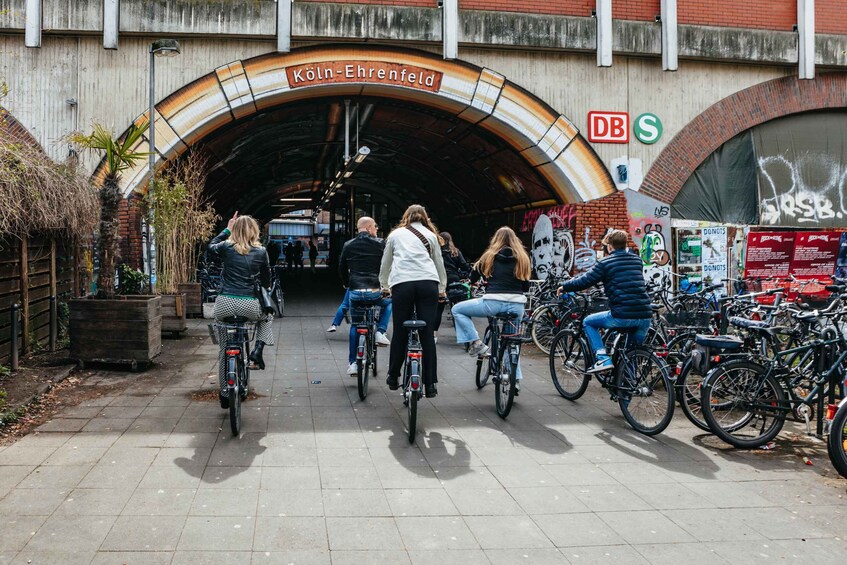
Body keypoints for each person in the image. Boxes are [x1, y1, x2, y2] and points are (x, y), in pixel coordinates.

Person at [557, 229, 652, 373]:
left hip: (622, 316)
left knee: (588, 322)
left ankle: (602, 358)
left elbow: (586, 280)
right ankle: (625, 391)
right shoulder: (637, 260)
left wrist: (565, 287)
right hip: (645, 316)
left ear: (609, 246)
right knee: (630, 355)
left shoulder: (605, 263)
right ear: (625, 244)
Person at [450, 227, 531, 392]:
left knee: (458, 310)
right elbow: (525, 286)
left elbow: (473, 277)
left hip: (492, 304)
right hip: (517, 306)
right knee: (511, 342)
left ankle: (477, 343)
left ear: (496, 239)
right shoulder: (523, 258)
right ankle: (515, 380)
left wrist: (472, 283)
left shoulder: (489, 256)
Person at [207, 213, 275, 408]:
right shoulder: (261, 251)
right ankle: (257, 351)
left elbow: (209, 248)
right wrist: (265, 288)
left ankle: (224, 392)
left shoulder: (225, 247)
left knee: (224, 350)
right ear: (254, 231)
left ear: (234, 230)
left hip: (224, 303)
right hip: (249, 305)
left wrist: (226, 229)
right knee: (267, 317)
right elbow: (266, 279)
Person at [379, 205, 447, 398]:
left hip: (403, 283)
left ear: (406, 217)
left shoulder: (395, 235)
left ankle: (393, 376)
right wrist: (441, 289)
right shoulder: (431, 236)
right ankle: (430, 384)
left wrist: (384, 285)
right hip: (428, 283)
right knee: (427, 333)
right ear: (425, 218)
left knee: (400, 330)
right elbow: (438, 263)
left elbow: (386, 262)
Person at [338, 217, 393, 375]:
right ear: (369, 227)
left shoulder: (348, 245)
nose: (376, 230)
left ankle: (353, 364)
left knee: (355, 325)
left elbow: (341, 267)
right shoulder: (380, 243)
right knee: (389, 303)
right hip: (375, 291)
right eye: (375, 227)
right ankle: (380, 331)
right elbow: (388, 265)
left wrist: (346, 283)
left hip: (355, 291)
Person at [434, 231, 470, 342]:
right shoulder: (455, 252)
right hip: (454, 281)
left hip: (440, 281)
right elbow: (464, 266)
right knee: (459, 308)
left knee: (438, 309)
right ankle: (464, 334)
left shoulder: (436, 252)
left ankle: (433, 334)